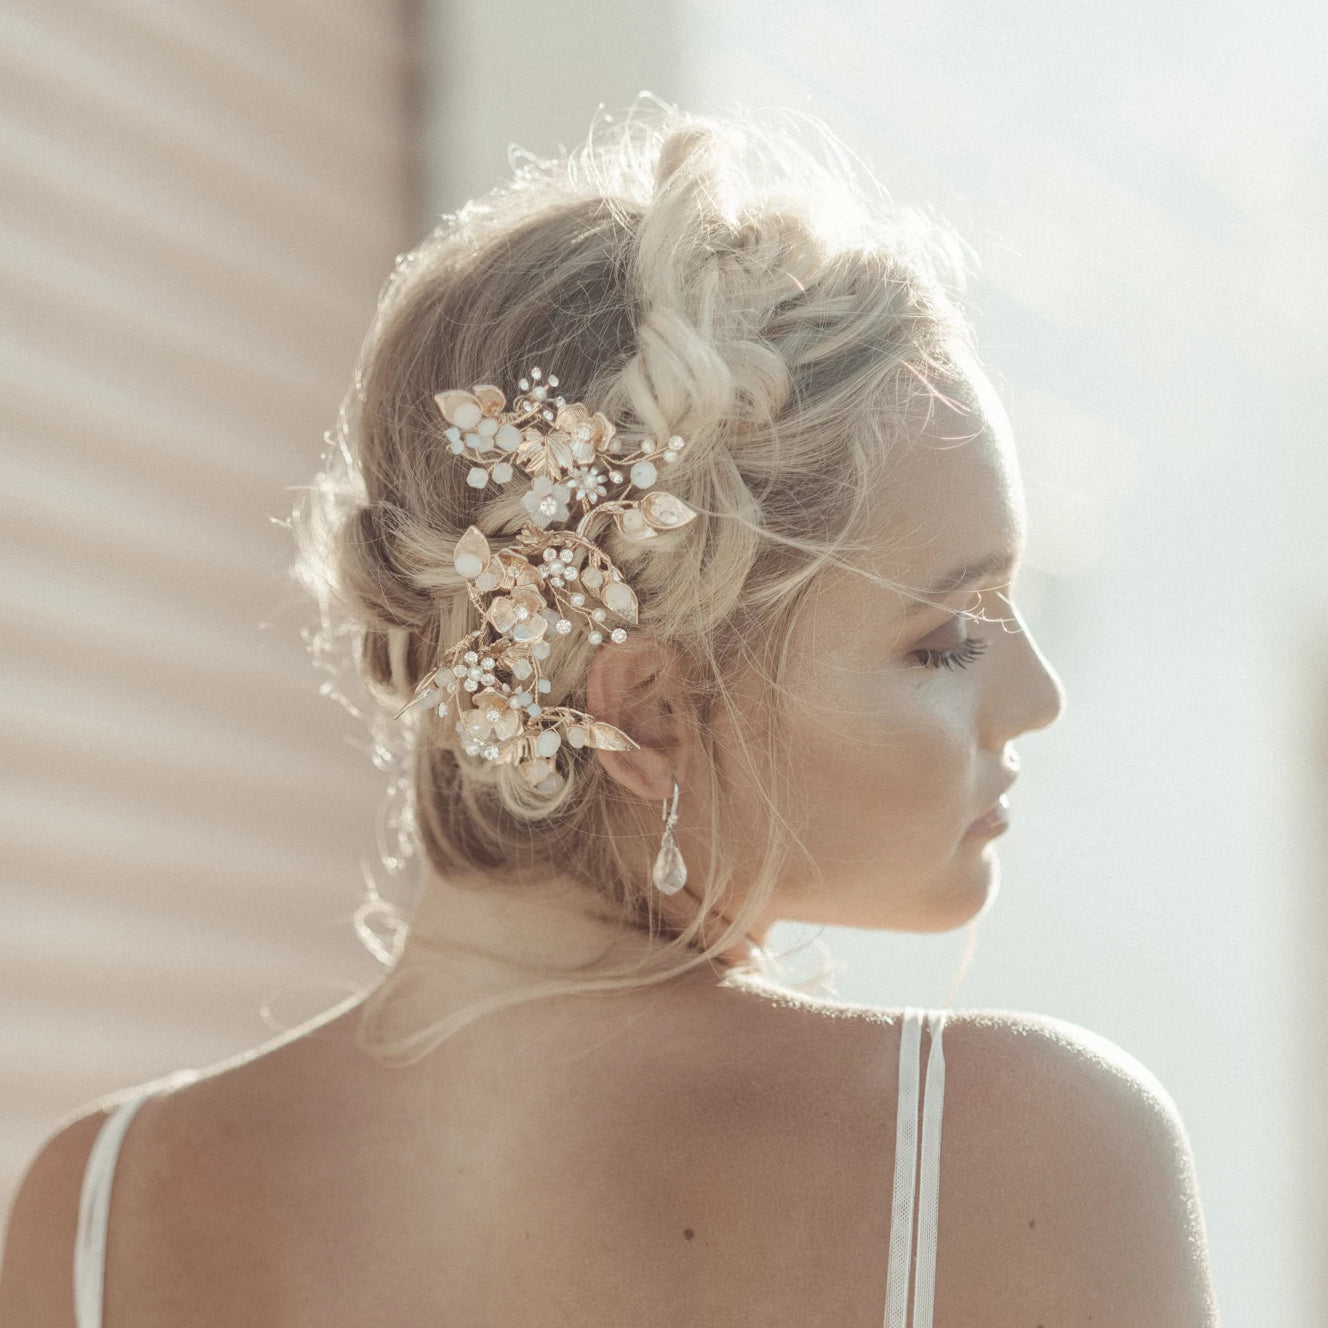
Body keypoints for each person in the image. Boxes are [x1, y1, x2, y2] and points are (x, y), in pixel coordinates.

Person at [0, 100, 1219, 1327]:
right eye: (944, 639)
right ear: (646, 714)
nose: (1035, 703)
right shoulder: (1021, 1157)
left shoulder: (93, 1214)